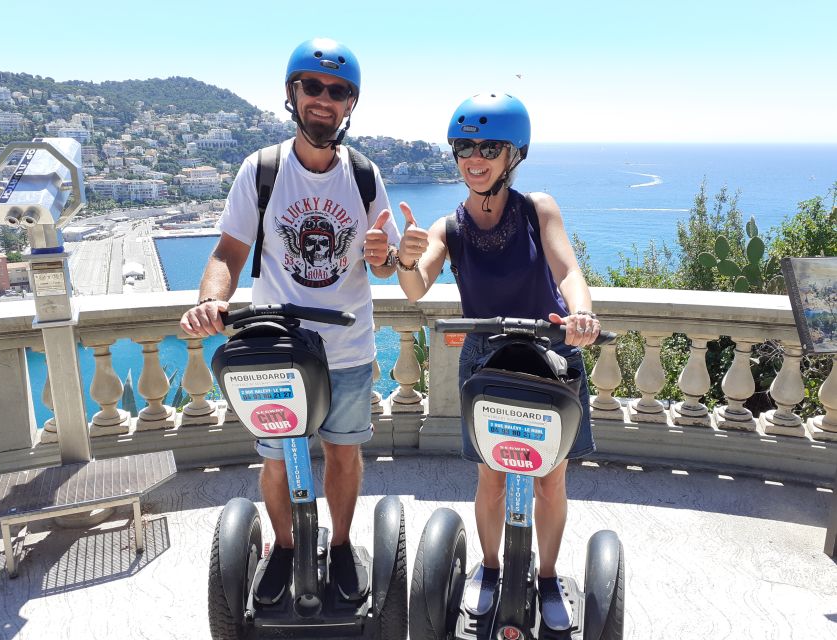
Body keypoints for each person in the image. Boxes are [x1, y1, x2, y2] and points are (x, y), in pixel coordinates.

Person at [180, 37, 400, 603]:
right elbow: (228, 252)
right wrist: (212, 300)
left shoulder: (367, 176)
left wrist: (388, 257)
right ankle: (283, 546)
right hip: (276, 349)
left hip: (348, 349)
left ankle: (344, 543)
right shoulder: (263, 170)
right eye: (313, 87)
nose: (324, 100)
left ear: (350, 103)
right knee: (278, 464)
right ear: (292, 94)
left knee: (345, 455)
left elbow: (387, 263)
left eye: (338, 91)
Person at [394, 92, 601, 631]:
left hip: (550, 357)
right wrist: (406, 257)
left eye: (489, 146)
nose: (474, 157)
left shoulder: (539, 210)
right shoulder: (450, 226)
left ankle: (549, 576)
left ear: (514, 154)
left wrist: (581, 313)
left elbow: (567, 271)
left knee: (550, 481)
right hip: (488, 361)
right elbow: (416, 288)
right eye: (465, 145)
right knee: (490, 478)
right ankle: (489, 569)